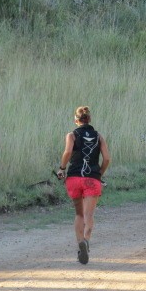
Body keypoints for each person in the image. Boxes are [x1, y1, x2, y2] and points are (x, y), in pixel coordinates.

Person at [57, 106, 111, 265]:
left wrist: (62, 168)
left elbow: (67, 153)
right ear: (89, 119)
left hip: (74, 178)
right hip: (92, 180)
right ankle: (86, 241)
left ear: (76, 120)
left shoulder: (72, 135)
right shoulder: (99, 136)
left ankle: (80, 242)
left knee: (79, 214)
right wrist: (99, 174)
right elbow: (107, 158)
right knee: (89, 215)